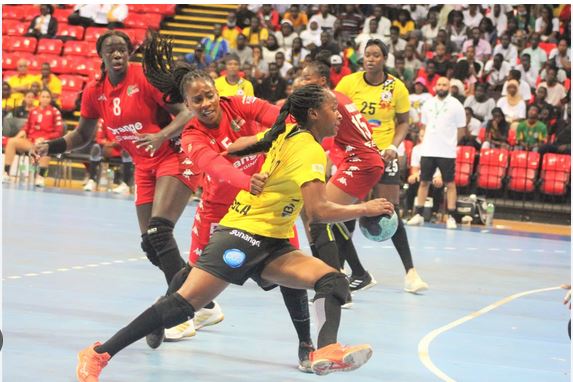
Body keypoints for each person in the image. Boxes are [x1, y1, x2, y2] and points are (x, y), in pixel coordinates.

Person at [75, 84, 394, 381]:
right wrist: (364, 209)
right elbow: (318, 212)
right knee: (184, 305)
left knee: (333, 281)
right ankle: (98, 353)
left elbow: (248, 143)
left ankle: (324, 350)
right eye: (333, 109)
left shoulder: (290, 134)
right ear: (314, 114)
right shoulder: (308, 150)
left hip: (272, 241)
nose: (340, 115)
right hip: (242, 233)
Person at [141, 34, 316, 371]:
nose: (205, 103)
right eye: (197, 101)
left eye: (209, 96)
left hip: (264, 204)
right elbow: (216, 169)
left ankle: (306, 344)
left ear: (217, 92)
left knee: (290, 273)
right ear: (187, 106)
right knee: (193, 276)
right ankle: (161, 317)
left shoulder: (238, 103)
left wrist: (294, 132)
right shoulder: (192, 135)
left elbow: (275, 115)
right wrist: (245, 180)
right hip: (220, 209)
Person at [32, 30, 201, 316]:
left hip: (174, 155)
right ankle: (202, 298)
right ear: (101, 55)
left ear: (129, 53)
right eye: (111, 50)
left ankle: (181, 310)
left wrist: (161, 135)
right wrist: (52, 145)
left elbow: (188, 111)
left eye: (122, 48)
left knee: (160, 232)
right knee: (151, 243)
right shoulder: (94, 91)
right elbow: (82, 135)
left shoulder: (145, 78)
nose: (118, 53)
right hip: (144, 165)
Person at [336, 39, 428, 294]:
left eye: (376, 55)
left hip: (384, 156)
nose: (371, 59)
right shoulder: (348, 83)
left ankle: (411, 273)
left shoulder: (396, 87)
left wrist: (393, 145)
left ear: (384, 58)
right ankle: (341, 273)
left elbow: (403, 122)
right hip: (354, 155)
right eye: (367, 55)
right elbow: (333, 111)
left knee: (391, 212)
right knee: (347, 212)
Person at [406, 77, 467, 229]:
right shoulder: (428, 103)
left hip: (447, 151)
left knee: (450, 184)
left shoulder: (456, 105)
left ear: (449, 87)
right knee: (424, 182)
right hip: (428, 149)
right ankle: (418, 214)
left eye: (444, 84)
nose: (441, 87)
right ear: (435, 87)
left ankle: (451, 217)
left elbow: (461, 130)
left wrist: (452, 143)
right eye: (439, 84)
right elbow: (425, 127)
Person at [3, 89, 62, 186]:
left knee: (45, 146)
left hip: (45, 142)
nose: (45, 99)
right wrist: (20, 134)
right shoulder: (33, 111)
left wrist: (44, 138)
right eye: (43, 96)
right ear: (39, 98)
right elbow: (26, 127)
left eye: (47, 97)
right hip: (31, 142)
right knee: (12, 141)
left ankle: (40, 177)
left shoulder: (55, 112)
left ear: (50, 99)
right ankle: (6, 173)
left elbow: (58, 132)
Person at [83, 119, 133, 194]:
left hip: (121, 148)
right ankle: (92, 181)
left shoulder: (125, 119)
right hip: (108, 149)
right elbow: (99, 139)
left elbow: (127, 138)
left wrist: (115, 144)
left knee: (127, 150)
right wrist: (109, 144)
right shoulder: (103, 119)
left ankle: (125, 184)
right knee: (96, 148)